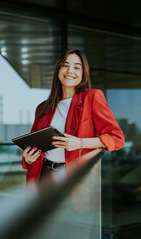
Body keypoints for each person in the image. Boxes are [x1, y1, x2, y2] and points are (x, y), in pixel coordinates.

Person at [21, 49, 125, 185]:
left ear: (83, 73)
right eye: (65, 65)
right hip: (43, 175)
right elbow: (34, 146)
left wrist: (80, 143)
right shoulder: (43, 107)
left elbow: (117, 138)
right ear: (58, 70)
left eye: (77, 67)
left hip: (75, 177)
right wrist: (28, 159)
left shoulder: (92, 97)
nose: (70, 71)